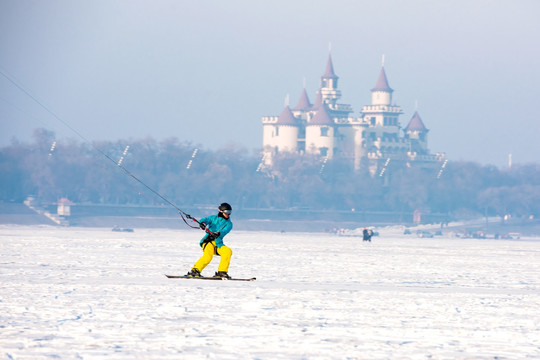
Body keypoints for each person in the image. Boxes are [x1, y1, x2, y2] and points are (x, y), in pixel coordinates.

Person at [187, 203, 234, 279]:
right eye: (227, 212)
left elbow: (225, 231)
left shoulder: (229, 224)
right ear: (221, 211)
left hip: (218, 243)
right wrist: (203, 223)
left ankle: (222, 272)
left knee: (227, 251)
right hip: (208, 242)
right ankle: (195, 271)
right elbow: (205, 219)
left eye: (230, 212)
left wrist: (218, 233)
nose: (228, 214)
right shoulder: (213, 218)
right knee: (208, 256)